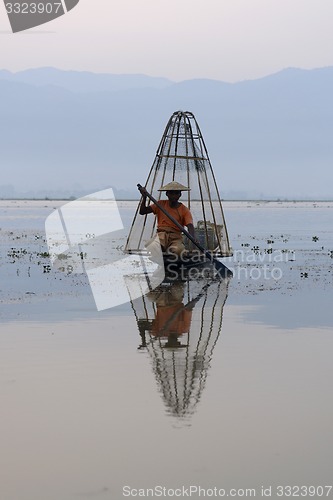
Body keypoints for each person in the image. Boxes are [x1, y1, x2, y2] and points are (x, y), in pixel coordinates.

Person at [138, 181, 196, 259]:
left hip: (175, 237)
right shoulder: (160, 204)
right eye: (171, 193)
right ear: (167, 194)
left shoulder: (184, 210)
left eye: (176, 194)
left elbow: (190, 225)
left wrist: (193, 237)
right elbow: (142, 211)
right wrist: (144, 197)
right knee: (152, 246)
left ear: (180, 195)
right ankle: (161, 253)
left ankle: (172, 256)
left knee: (178, 251)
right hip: (161, 235)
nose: (173, 196)